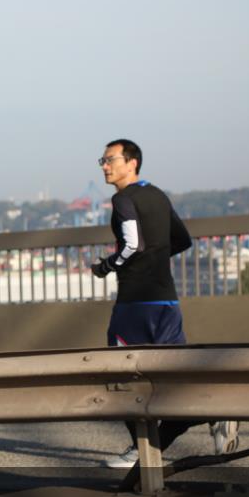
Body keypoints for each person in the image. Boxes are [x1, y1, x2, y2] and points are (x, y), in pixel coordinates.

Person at [92, 139, 239, 468]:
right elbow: (182, 239)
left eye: (110, 159)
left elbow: (133, 245)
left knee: (120, 375)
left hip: (135, 303)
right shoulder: (157, 195)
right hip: (166, 301)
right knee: (174, 374)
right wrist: (156, 259)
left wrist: (107, 266)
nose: (104, 166)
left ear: (132, 163)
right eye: (102, 160)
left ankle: (139, 451)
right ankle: (216, 411)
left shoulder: (123, 199)